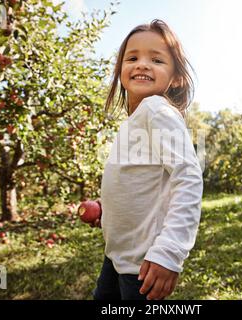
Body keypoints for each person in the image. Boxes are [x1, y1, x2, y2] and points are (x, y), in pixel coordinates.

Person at [91, 19, 203, 300]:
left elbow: (187, 176)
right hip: (118, 254)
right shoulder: (133, 121)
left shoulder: (156, 110)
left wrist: (169, 251)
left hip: (144, 263)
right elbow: (139, 182)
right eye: (133, 57)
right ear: (120, 70)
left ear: (176, 77)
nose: (142, 64)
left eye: (156, 59)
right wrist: (109, 209)